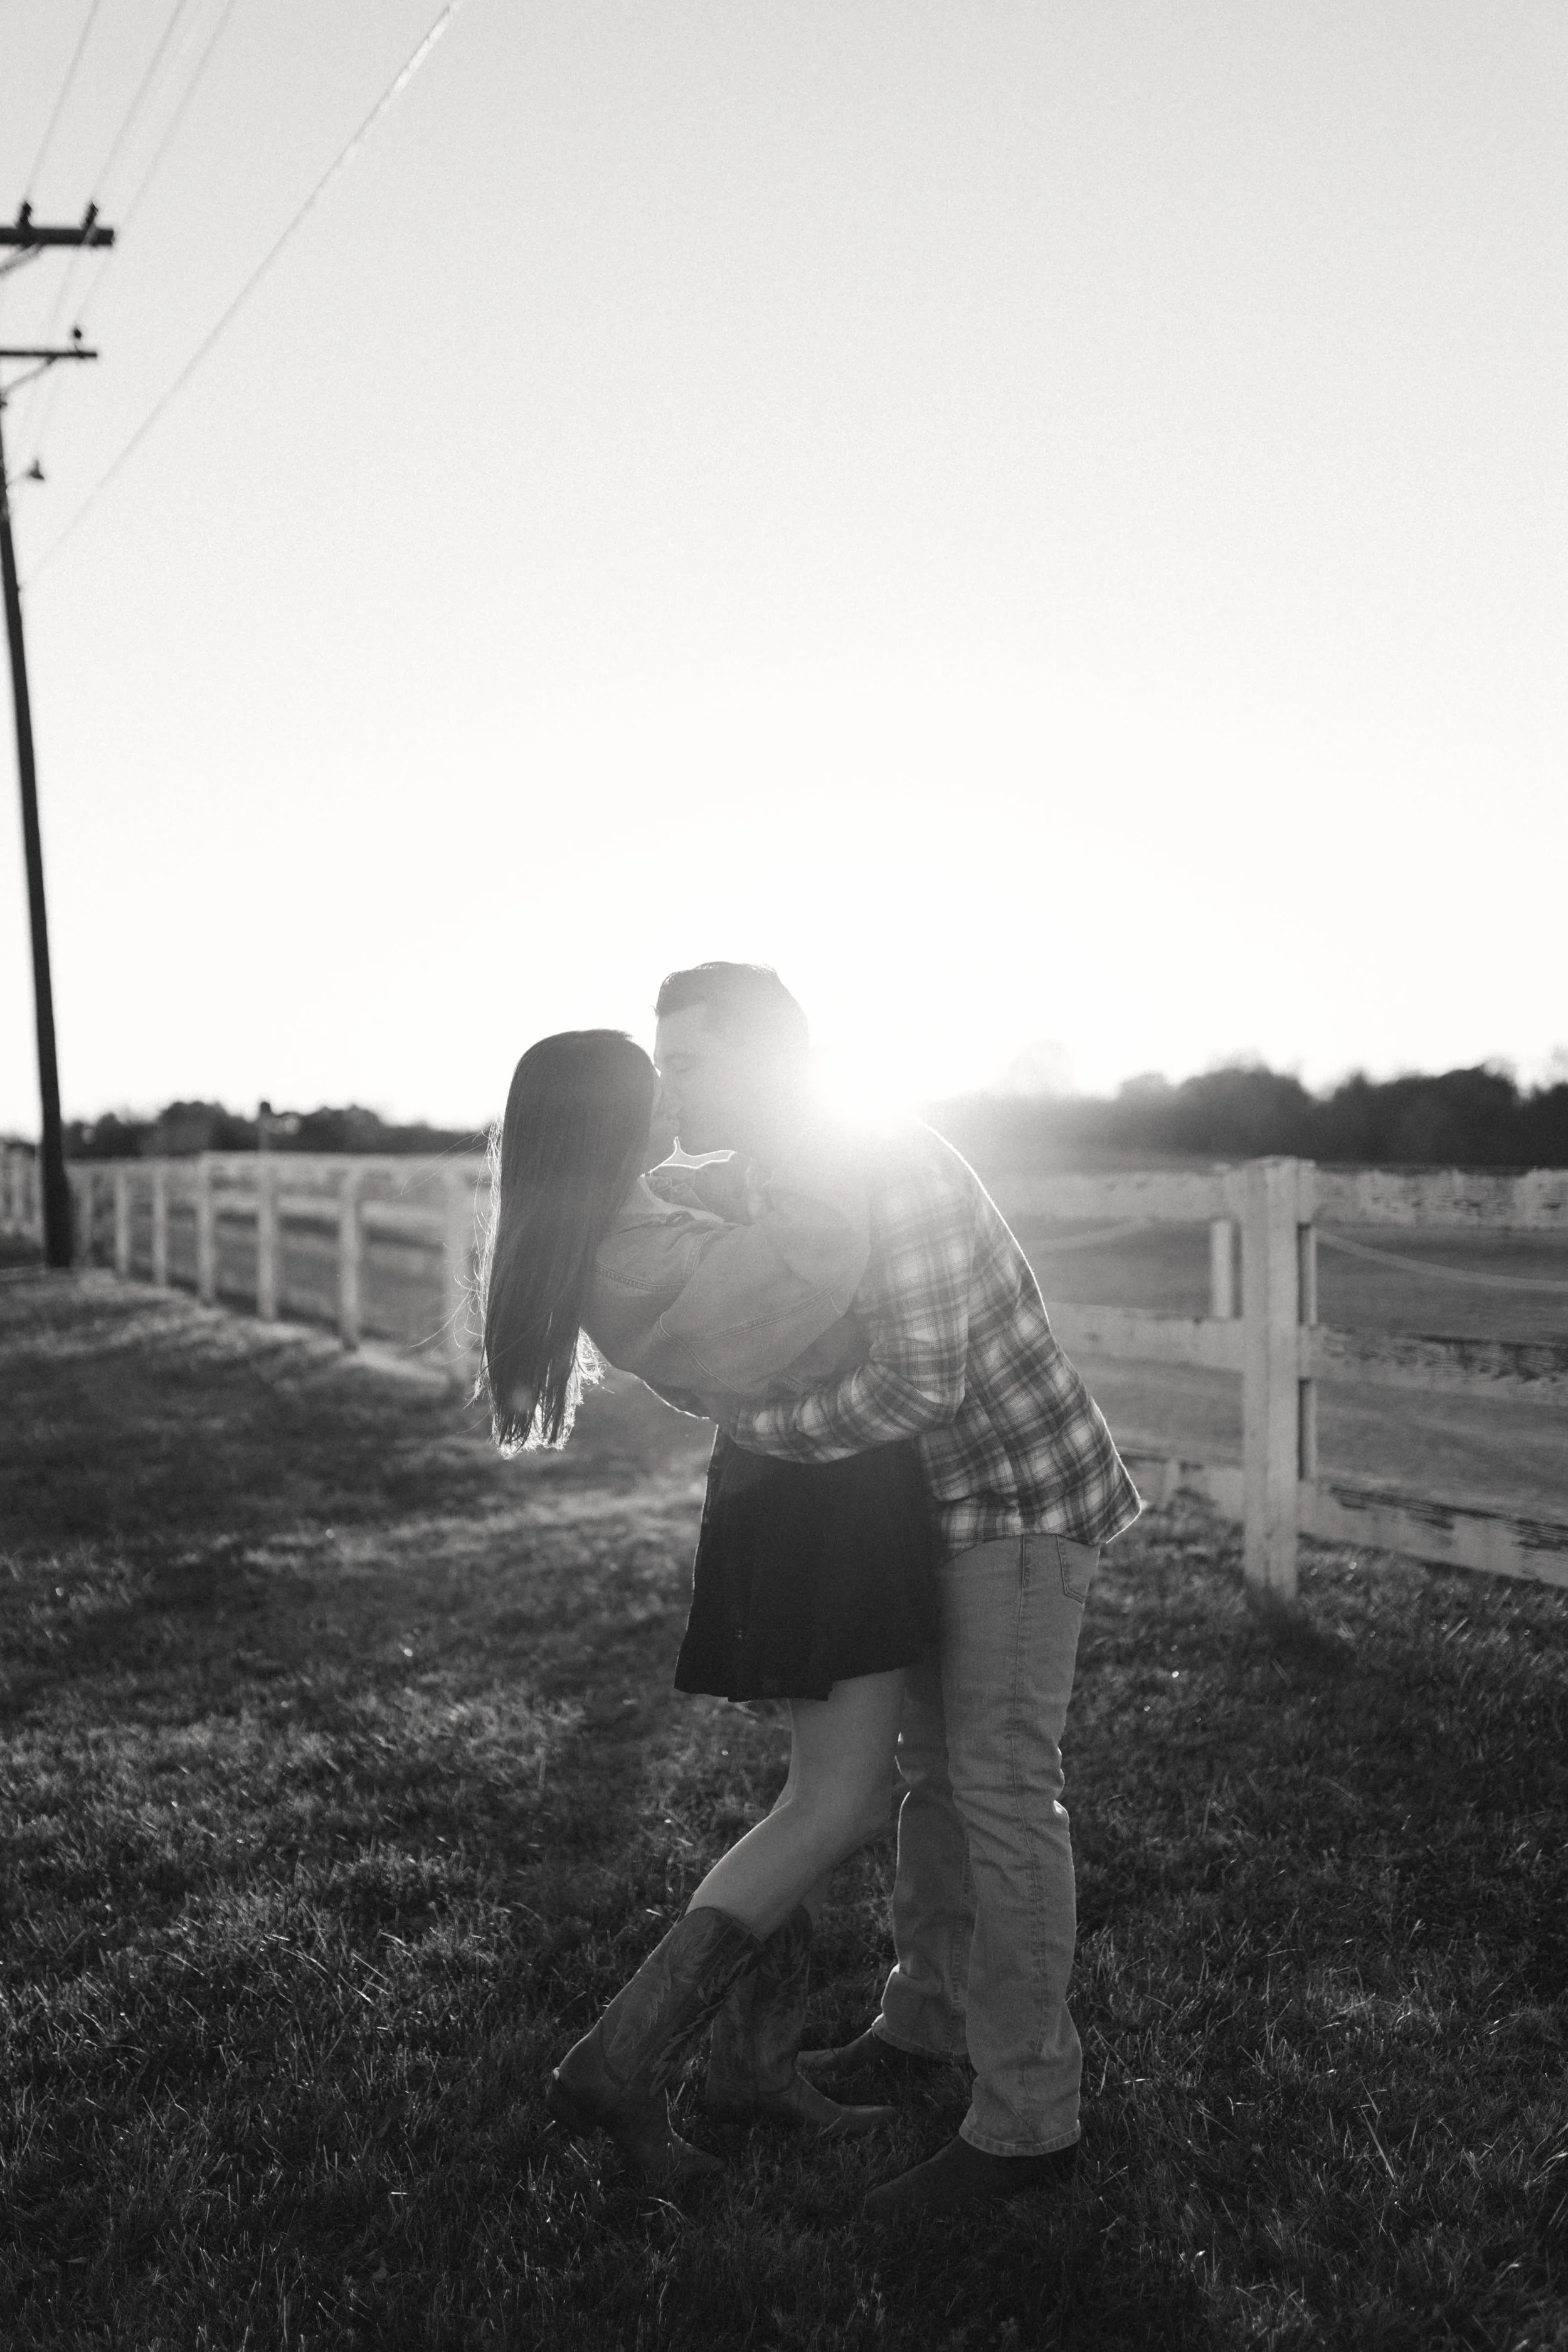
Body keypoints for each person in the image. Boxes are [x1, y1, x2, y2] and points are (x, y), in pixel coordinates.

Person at [649, 963, 1142, 2220]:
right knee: (929, 1778)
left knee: (996, 1788)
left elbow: (920, 1384)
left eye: (689, 1062)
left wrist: (761, 1417)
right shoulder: (784, 1166)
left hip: (1015, 1502)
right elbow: (703, 1189)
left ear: (765, 1063)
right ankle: (921, 2025)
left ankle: (1029, 2129)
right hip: (928, 1512)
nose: (669, 1084)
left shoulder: (884, 1163)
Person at [477, 1027, 940, 2190]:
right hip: (819, 1502)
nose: (680, 1093)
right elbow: (822, 1273)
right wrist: (806, 1130)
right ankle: (618, 2061)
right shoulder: (632, 1254)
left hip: (806, 1493)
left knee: (808, 1796)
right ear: (614, 1122)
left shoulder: (626, 1221)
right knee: (837, 1799)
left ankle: (754, 2069)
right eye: (659, 1086)